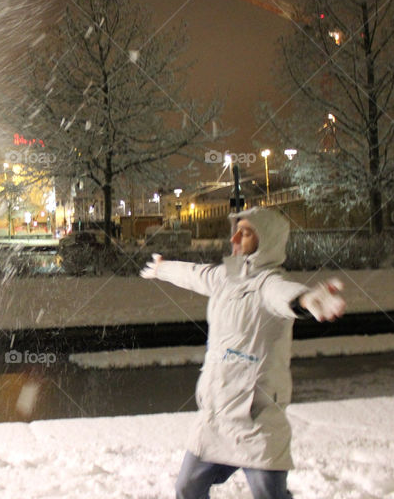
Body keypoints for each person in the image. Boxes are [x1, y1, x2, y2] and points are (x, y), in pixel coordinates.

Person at [140, 206, 346, 499]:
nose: (235, 238)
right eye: (235, 231)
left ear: (266, 241)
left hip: (256, 421)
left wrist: (306, 298)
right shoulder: (228, 277)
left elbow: (283, 294)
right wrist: (163, 268)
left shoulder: (268, 282)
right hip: (216, 415)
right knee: (187, 488)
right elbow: (197, 274)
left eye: (246, 232)